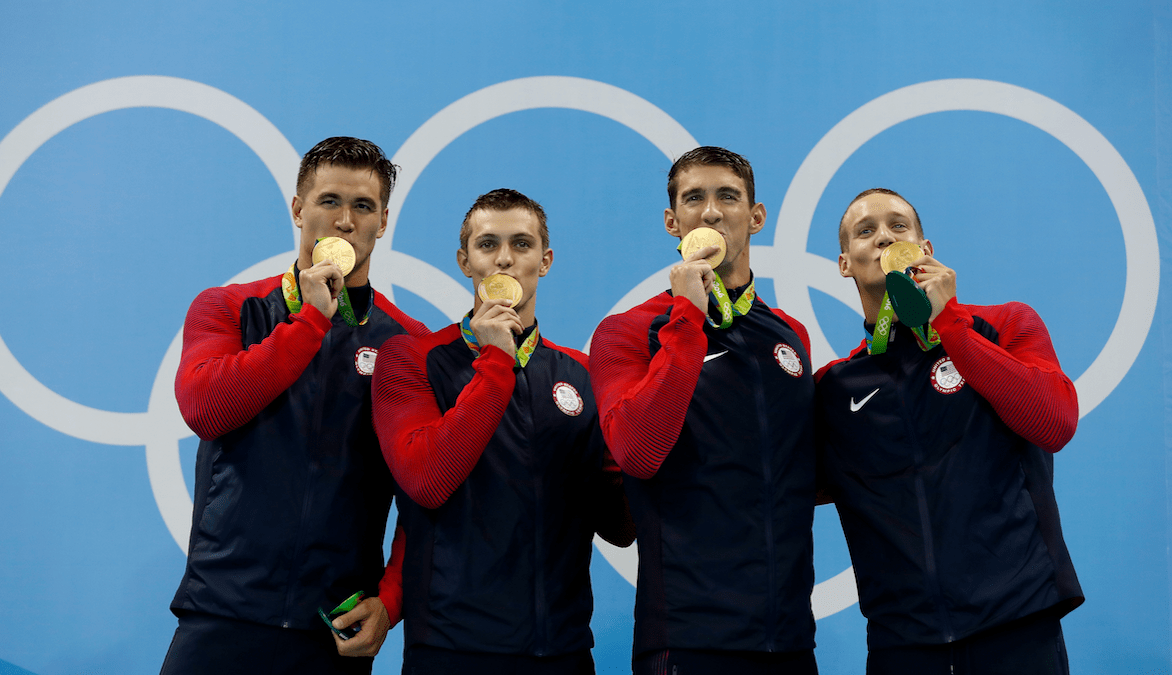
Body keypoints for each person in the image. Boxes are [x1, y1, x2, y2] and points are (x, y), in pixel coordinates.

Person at [161, 137, 428, 675]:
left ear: (383, 222)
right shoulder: (227, 307)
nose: (345, 221)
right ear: (298, 209)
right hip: (222, 613)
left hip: (332, 628)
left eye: (363, 206)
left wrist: (392, 600)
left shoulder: (408, 345)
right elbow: (206, 409)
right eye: (329, 201)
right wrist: (310, 321)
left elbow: (425, 492)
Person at [814, 188, 1083, 674]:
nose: (883, 238)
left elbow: (1055, 422)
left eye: (899, 227)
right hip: (904, 646)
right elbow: (773, 485)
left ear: (925, 249)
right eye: (865, 230)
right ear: (844, 264)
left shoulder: (1002, 326)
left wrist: (951, 324)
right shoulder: (836, 386)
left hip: (1017, 625)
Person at [370, 188, 634, 674]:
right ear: (464, 261)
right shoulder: (411, 359)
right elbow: (427, 482)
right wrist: (494, 360)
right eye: (488, 245)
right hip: (450, 650)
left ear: (545, 260)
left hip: (562, 650)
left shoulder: (583, 375)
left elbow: (619, 528)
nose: (505, 260)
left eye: (522, 244)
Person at [589, 147, 818, 675]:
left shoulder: (790, 335)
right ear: (673, 222)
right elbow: (638, 453)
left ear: (756, 217)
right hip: (687, 638)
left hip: (788, 639)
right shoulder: (628, 332)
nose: (711, 212)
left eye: (728, 197)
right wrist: (687, 315)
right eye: (694, 199)